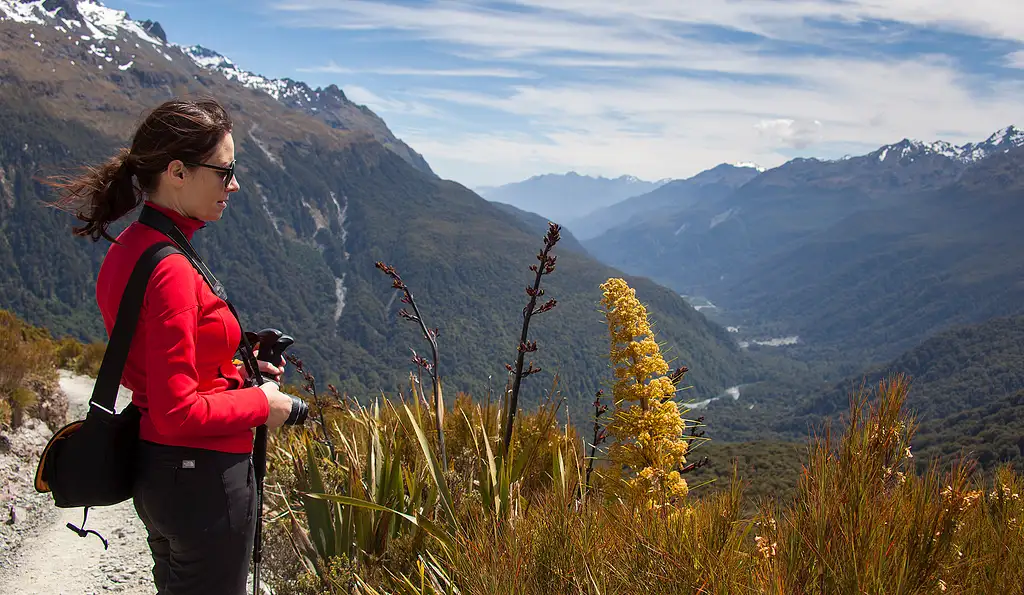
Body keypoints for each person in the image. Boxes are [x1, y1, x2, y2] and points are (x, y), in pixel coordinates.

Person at [45, 96, 296, 594]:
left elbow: (152, 348)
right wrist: (262, 403)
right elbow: (178, 410)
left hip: (160, 473)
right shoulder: (172, 270)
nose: (235, 184)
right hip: (202, 476)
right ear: (178, 171)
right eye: (225, 171)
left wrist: (233, 367)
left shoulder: (130, 248)